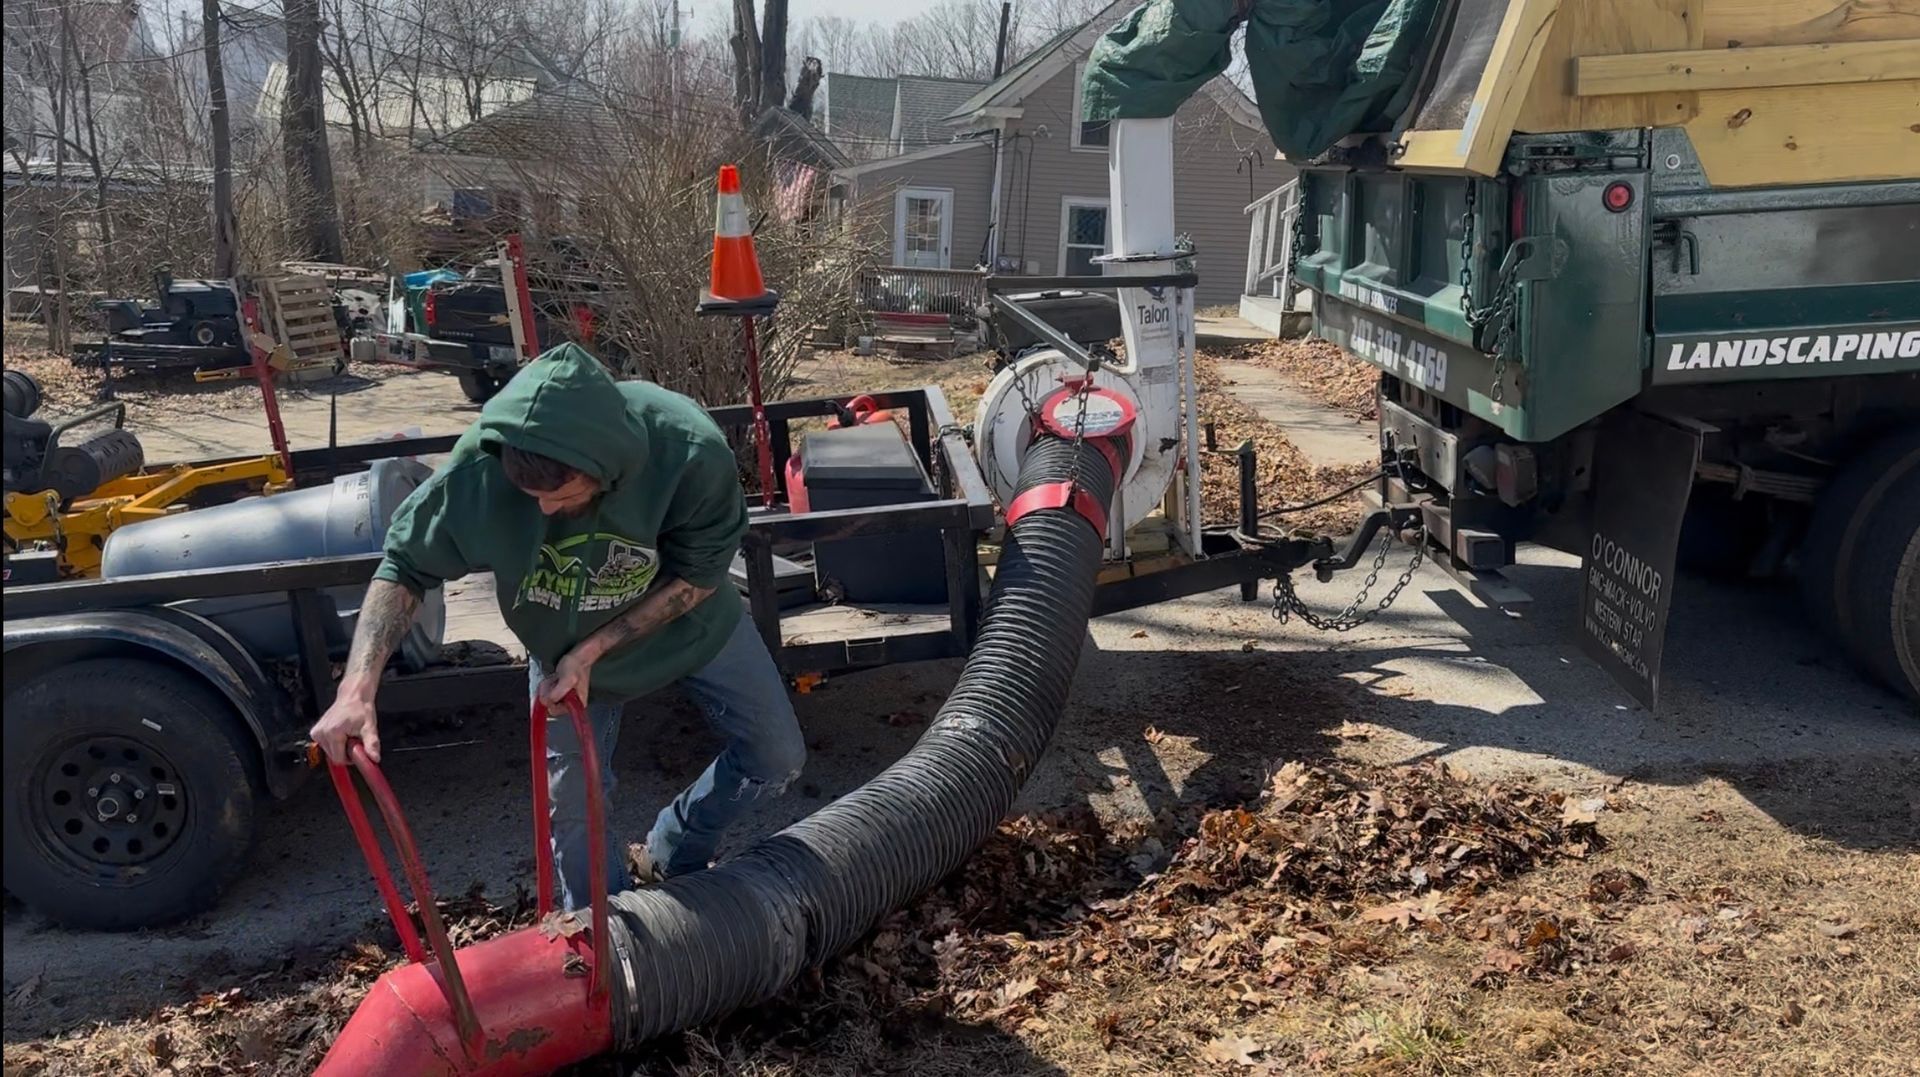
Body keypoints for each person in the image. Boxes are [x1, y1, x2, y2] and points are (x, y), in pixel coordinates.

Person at [310, 343, 805, 910]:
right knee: (575, 808)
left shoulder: (686, 448)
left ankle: (672, 850)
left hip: (692, 627)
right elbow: (403, 568)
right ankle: (607, 946)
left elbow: (699, 578)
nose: (544, 512)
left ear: (609, 470)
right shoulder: (480, 470)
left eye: (563, 497)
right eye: (532, 498)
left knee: (778, 756)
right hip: (561, 651)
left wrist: (595, 648)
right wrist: (357, 689)